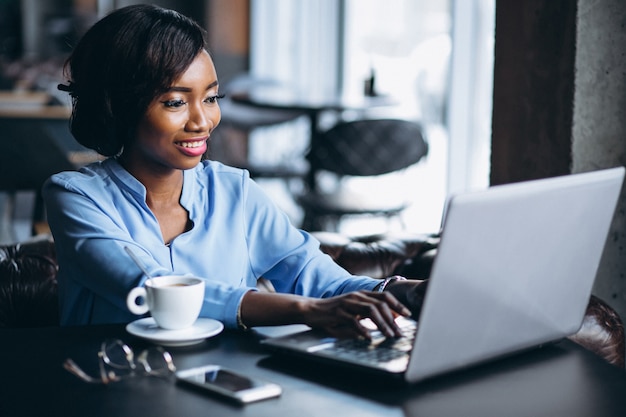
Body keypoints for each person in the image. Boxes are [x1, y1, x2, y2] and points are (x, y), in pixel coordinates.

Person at [43, 4, 427, 339]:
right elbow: (150, 287)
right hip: (110, 385)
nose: (203, 120)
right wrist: (303, 311)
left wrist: (405, 291)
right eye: (176, 102)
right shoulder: (75, 196)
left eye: (210, 98)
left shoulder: (232, 190)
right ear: (119, 107)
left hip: (222, 388)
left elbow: (320, 279)